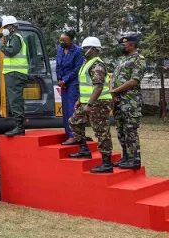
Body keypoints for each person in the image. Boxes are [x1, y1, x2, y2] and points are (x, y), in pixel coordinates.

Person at [67, 37, 114, 173]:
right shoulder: (87, 63)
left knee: (101, 131)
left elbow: (98, 87)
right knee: (74, 121)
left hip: (98, 103)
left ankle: (106, 163)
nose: (84, 51)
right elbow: (86, 86)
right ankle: (84, 150)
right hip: (87, 102)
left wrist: (89, 104)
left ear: (94, 49)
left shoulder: (96, 65)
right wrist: (81, 100)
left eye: (86, 48)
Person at [110, 34, 147, 170]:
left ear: (132, 45)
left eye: (124, 45)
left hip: (130, 102)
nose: (122, 47)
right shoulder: (122, 60)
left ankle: (134, 160)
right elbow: (114, 78)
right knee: (121, 131)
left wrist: (115, 91)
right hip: (119, 101)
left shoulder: (139, 59)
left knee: (130, 131)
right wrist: (113, 93)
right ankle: (125, 157)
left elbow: (134, 80)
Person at [0, 16, 29, 136]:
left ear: (11, 27)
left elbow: (10, 52)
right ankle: (18, 126)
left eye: (5, 27)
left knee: (15, 100)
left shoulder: (15, 38)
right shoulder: (12, 38)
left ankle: (19, 127)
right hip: (13, 74)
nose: (4, 29)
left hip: (16, 74)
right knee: (14, 100)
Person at [57, 30, 84, 145]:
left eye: (64, 41)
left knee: (71, 109)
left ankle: (74, 135)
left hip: (73, 83)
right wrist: (59, 79)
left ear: (71, 40)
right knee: (65, 109)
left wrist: (65, 80)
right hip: (63, 83)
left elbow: (77, 68)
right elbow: (58, 65)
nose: (62, 42)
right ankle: (68, 134)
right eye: (61, 40)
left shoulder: (77, 51)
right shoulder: (59, 49)